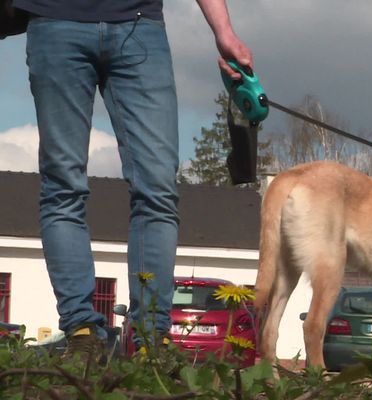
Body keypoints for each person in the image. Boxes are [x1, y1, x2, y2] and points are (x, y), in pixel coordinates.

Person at [13, 0, 253, 358]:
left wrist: (224, 31)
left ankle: (151, 340)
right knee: (64, 185)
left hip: (138, 25)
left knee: (158, 188)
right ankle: (82, 332)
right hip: (55, 21)